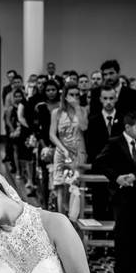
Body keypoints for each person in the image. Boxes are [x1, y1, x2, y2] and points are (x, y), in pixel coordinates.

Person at [94, 110, 136, 273]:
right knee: (122, 234)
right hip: (121, 197)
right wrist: (116, 177)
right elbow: (99, 162)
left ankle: (133, 270)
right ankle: (119, 271)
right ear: (127, 127)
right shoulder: (114, 143)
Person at [84, 84, 124, 220]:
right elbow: (91, 147)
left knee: (117, 205)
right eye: (105, 98)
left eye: (111, 98)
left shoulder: (123, 119)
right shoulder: (93, 120)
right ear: (100, 99)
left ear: (116, 98)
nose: (108, 102)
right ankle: (97, 230)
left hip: (118, 169)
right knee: (99, 203)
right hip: (99, 168)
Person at [50, 82, 87, 220]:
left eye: (77, 95)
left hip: (78, 152)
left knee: (76, 185)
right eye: (71, 94)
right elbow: (52, 134)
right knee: (60, 187)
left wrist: (77, 107)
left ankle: (75, 220)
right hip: (62, 151)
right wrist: (63, 149)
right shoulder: (57, 112)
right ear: (65, 96)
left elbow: (84, 127)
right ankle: (62, 220)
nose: (74, 97)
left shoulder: (83, 110)